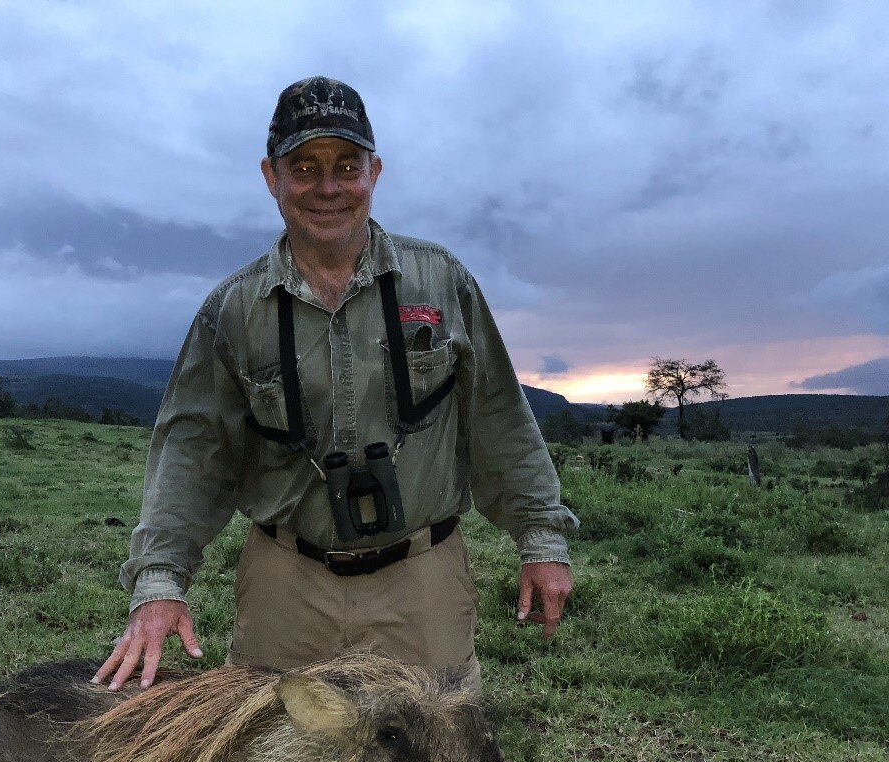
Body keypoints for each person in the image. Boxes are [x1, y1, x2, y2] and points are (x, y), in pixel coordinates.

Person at [94, 76, 577, 692]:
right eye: (305, 167)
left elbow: (500, 417)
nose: (328, 187)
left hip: (422, 576)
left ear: (376, 172)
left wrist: (541, 538)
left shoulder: (441, 281)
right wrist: (159, 583)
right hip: (287, 581)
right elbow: (192, 451)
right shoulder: (233, 310)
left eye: (347, 165)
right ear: (271, 177)